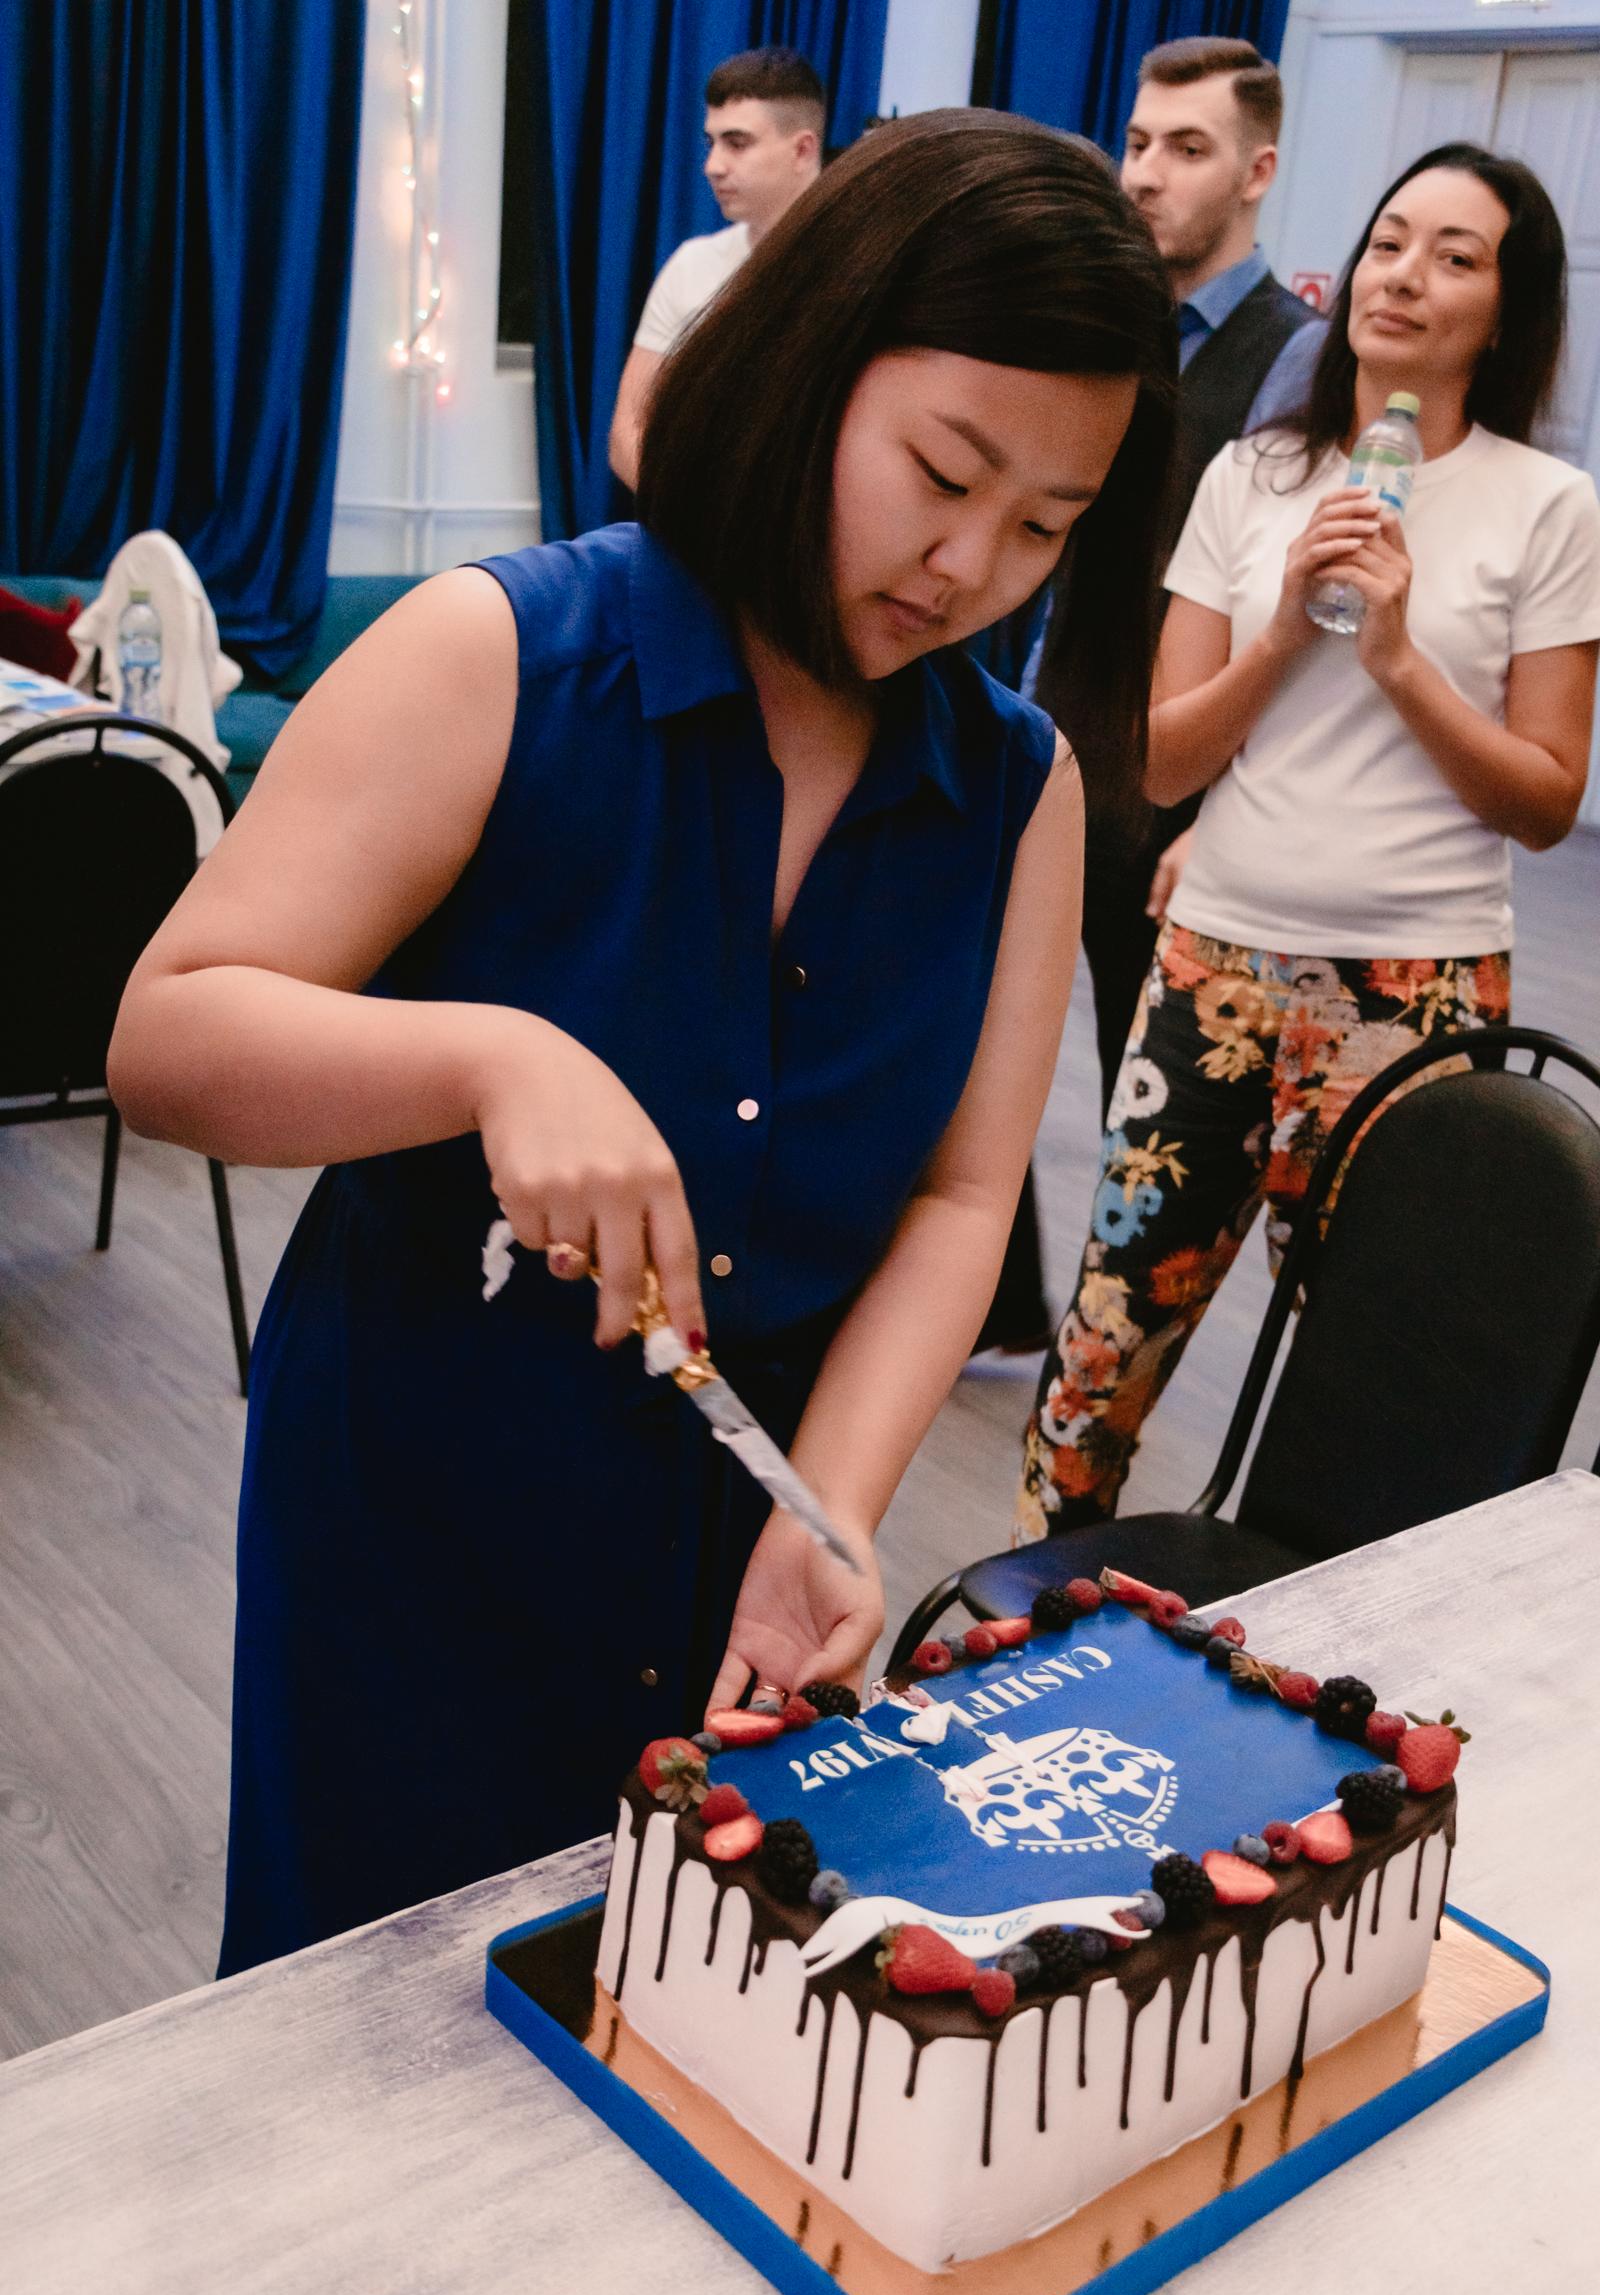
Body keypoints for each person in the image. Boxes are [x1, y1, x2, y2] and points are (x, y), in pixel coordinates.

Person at [108, 111, 1176, 1972]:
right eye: (941, 472)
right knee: (381, 2014)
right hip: (428, 1510)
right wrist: (490, 1060)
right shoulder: (505, 656)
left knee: (704, 2021)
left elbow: (959, 1196)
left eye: (1044, 528)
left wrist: (836, 1507)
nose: (967, 567)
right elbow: (168, 1037)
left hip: (748, 1547)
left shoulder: (1018, 788)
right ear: (810, 364)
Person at [1017, 141, 1600, 1540]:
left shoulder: (1548, 506)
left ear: (1507, 312)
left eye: (1455, 256)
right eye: (1391, 239)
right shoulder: (1253, 474)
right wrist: (1287, 625)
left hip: (1414, 991)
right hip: (1213, 963)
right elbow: (1164, 758)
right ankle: (1033, 1623)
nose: (1406, 274)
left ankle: (1321, 1643)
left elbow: (1543, 800)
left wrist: (1395, 655)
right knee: (1104, 1346)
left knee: (1376, 1364)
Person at [974, 36, 1318, 1374]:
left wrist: (1216, 817)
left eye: (1186, 148)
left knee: (1153, 1108)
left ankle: (1109, 1358)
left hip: (1168, 787)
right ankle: (999, 1304)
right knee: (961, 1036)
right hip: (1044, 737)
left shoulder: (1296, 360)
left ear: (1257, 170)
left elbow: (1294, 619)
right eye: (1135, 143)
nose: (1146, 174)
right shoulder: (1108, 329)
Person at [607, 47, 825, 492]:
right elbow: (628, 430)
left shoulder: (864, 266)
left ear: (802, 150)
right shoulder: (692, 265)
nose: (712, 166)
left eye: (737, 143)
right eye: (711, 143)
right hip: (695, 518)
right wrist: (694, 519)